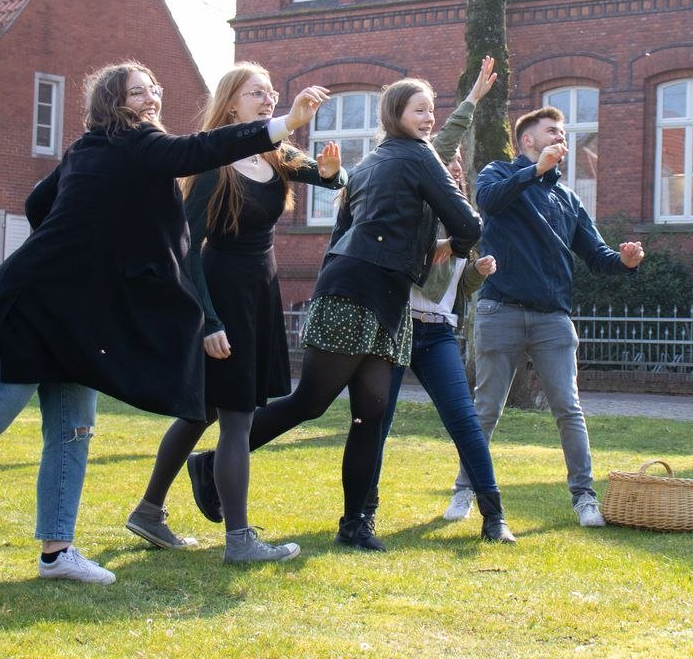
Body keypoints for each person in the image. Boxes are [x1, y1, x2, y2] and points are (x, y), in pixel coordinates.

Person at [0, 61, 329, 584]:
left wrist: (93, 245)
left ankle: (56, 553)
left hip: (79, 316)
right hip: (38, 304)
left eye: (154, 89)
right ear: (114, 104)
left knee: (72, 431)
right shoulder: (136, 147)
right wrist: (284, 122)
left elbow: (37, 203)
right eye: (138, 93)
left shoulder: (92, 152)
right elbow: (200, 150)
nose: (152, 99)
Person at [189, 76, 483, 551]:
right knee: (315, 402)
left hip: (369, 290)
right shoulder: (417, 154)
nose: (428, 119)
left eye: (432, 110)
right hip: (359, 290)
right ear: (395, 117)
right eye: (419, 111)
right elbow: (468, 219)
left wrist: (433, 247)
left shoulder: (368, 164)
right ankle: (211, 464)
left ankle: (356, 523)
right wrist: (455, 245)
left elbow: (342, 229)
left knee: (369, 410)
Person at [125, 63, 346, 564]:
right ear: (230, 104)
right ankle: (240, 540)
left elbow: (332, 180)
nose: (268, 100)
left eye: (271, 93)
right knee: (237, 419)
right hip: (222, 293)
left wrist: (333, 172)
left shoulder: (276, 152)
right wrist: (208, 321)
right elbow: (185, 248)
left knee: (202, 410)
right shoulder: (211, 163)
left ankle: (148, 511)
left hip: (260, 290)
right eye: (256, 94)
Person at [444, 105, 645, 528]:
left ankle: (584, 498)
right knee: (485, 410)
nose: (561, 139)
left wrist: (625, 261)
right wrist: (534, 171)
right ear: (528, 141)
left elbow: (596, 255)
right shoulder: (499, 174)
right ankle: (465, 490)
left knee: (568, 410)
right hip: (500, 311)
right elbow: (489, 203)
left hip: (553, 319)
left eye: (564, 134)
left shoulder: (567, 198)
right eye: (552, 131)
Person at [369, 57, 516, 544]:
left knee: (465, 422)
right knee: (378, 422)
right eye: (442, 163)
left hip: (434, 332)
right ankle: (363, 514)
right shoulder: (412, 194)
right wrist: (470, 101)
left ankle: (494, 516)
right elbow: (442, 141)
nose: (449, 168)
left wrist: (473, 270)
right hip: (394, 323)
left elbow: (455, 285)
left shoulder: (460, 214)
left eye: (454, 168)